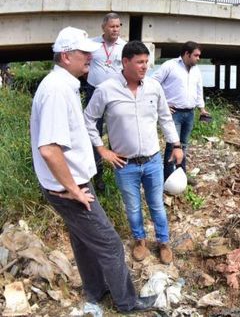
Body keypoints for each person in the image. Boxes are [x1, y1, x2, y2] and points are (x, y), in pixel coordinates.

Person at [30, 26, 157, 313]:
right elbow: (49, 149)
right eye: (83, 52)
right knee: (111, 245)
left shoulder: (64, 85)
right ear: (65, 56)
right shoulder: (56, 90)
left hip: (68, 186)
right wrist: (74, 190)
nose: (90, 56)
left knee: (84, 241)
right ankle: (126, 301)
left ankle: (94, 290)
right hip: (68, 189)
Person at [84, 41, 183, 265]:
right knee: (133, 206)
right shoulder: (106, 90)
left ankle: (164, 242)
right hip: (124, 164)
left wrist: (176, 145)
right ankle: (140, 241)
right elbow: (88, 119)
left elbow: (166, 118)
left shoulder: (154, 88)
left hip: (152, 160)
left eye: (147, 62)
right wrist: (101, 149)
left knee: (156, 203)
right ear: (125, 61)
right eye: (140, 62)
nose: (145, 66)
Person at [152, 41, 210, 180]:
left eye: (199, 55)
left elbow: (198, 90)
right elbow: (153, 83)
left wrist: (201, 109)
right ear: (186, 54)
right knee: (172, 145)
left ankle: (181, 176)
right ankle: (167, 178)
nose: (198, 58)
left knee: (184, 145)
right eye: (196, 55)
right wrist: (163, 104)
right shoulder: (170, 66)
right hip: (174, 113)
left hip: (190, 113)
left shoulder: (196, 70)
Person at [82, 12, 126, 192]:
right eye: (112, 26)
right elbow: (83, 64)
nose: (115, 29)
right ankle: (97, 176)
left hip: (115, 95)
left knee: (117, 134)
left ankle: (119, 174)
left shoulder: (124, 46)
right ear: (103, 27)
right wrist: (90, 77)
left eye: (118, 26)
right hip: (94, 92)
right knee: (93, 132)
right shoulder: (91, 44)